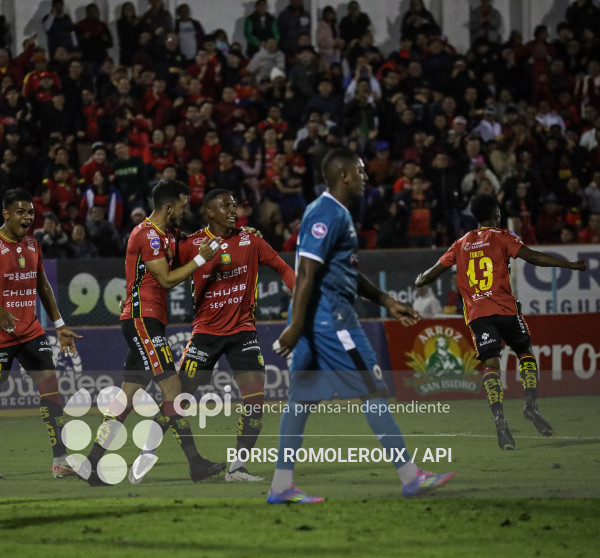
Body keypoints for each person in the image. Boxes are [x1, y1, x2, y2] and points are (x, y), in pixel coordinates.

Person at [269, 148, 454, 503]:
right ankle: (410, 477)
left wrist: (386, 300)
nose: (366, 176)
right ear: (344, 176)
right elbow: (307, 272)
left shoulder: (336, 212)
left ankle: (280, 485)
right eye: (361, 170)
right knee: (373, 391)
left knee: (300, 402)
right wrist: (294, 325)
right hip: (333, 323)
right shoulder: (326, 212)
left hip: (317, 322)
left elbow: (346, 271)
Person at [131, 190, 295, 484]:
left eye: (235, 204)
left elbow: (283, 269)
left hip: (243, 332)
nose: (234, 209)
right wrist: (135, 297)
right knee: (178, 400)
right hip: (205, 335)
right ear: (209, 212)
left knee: (256, 402)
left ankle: (237, 468)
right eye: (226, 205)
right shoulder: (190, 244)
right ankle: (146, 452)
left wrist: (301, 295)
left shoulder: (251, 239)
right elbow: (161, 272)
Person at [77, 179, 224, 485]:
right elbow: (167, 279)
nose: (184, 212)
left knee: (127, 397)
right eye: (182, 207)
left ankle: (91, 464)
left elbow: (194, 243)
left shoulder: (169, 233)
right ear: (169, 207)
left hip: (149, 319)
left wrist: (227, 235)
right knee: (173, 390)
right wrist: (201, 259)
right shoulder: (147, 235)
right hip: (142, 318)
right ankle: (196, 463)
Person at [414, 194, 588, 450]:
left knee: (491, 365)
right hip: (506, 311)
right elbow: (533, 257)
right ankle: (531, 405)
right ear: (496, 213)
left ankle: (499, 418)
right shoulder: (502, 236)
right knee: (525, 353)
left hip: (478, 316)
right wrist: (570, 265)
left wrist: (420, 279)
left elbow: (432, 273)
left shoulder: (460, 243)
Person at [0, 188, 82, 480]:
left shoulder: (33, 244)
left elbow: (42, 284)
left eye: (30, 212)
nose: (27, 217)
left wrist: (59, 325)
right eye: (21, 211)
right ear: (6, 214)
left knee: (51, 390)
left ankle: (61, 460)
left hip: (31, 331)